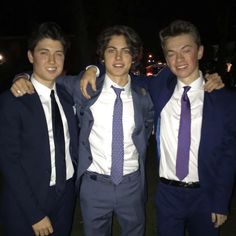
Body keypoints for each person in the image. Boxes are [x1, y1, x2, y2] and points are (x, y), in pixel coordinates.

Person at [79, 20, 236, 236]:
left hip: (205, 194)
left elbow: (229, 155)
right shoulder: (157, 87)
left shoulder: (224, 100)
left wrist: (221, 201)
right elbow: (120, 75)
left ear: (199, 52)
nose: (179, 59)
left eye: (186, 50)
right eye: (171, 53)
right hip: (167, 195)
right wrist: (93, 69)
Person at [10, 25, 155, 236]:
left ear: (134, 57)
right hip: (94, 184)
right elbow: (45, 76)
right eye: (111, 50)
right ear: (102, 56)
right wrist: (20, 77)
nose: (118, 56)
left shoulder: (143, 96)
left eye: (126, 50)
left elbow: (149, 122)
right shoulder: (84, 87)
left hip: (132, 184)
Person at [0, 22, 78, 236]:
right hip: (28, 200)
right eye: (44, 53)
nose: (52, 61)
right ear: (31, 56)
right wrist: (34, 214)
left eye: (58, 54)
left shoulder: (66, 96)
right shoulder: (12, 101)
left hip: (66, 194)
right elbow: (9, 162)